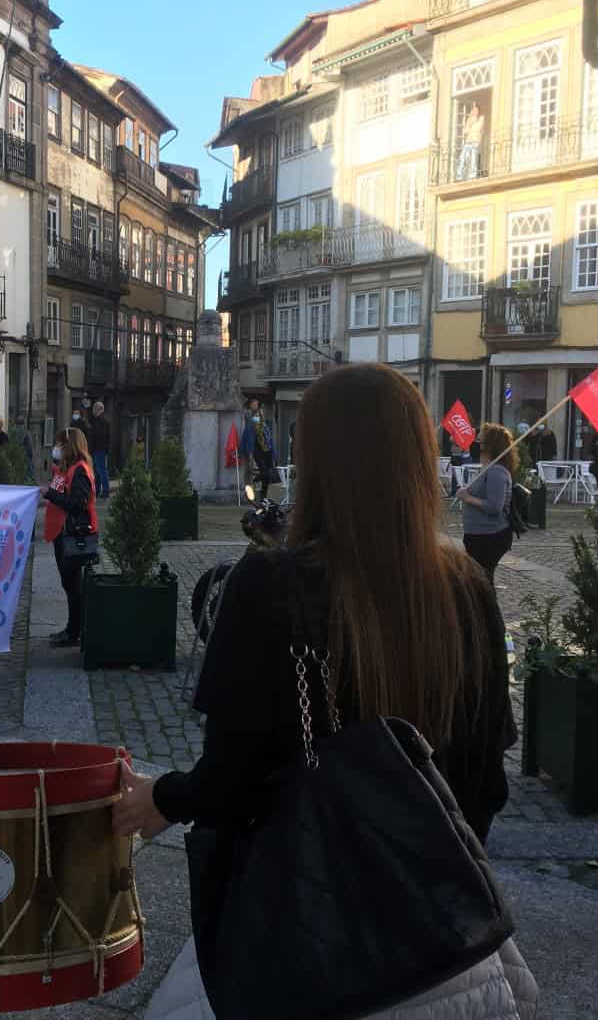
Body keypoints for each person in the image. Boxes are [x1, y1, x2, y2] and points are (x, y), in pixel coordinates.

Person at [114, 363, 530, 1017]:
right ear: (419, 461)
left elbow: (231, 781)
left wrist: (158, 799)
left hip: (312, 933)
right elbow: (488, 780)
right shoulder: (468, 587)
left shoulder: (269, 585)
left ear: (317, 462)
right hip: (444, 939)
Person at [42, 427, 96, 649]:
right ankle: (72, 629)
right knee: (69, 585)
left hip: (74, 535)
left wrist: (51, 494)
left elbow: (77, 504)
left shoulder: (80, 470)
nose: (57, 449)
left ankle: (75, 633)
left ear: (70, 446)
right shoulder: (68, 469)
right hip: (62, 534)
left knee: (73, 586)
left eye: (61, 445)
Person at [456, 423, 516, 584]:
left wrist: (467, 498)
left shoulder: (496, 471)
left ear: (491, 443)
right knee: (479, 583)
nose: (477, 440)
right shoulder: (487, 468)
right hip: (477, 535)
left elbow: (494, 506)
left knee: (482, 583)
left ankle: (488, 610)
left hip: (489, 537)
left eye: (481, 439)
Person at [239, 399, 275, 500]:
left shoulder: (265, 426)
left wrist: (273, 454)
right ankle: (256, 484)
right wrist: (242, 450)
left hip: (267, 451)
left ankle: (263, 496)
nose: (260, 415)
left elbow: (270, 440)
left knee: (267, 476)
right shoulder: (250, 425)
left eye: (261, 414)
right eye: (258, 414)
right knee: (264, 473)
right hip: (257, 451)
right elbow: (245, 437)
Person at [457, 101, 484, 181]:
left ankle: (473, 176)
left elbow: (480, 128)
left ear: (478, 111)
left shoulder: (481, 118)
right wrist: (469, 121)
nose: (474, 112)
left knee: (473, 159)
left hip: (475, 141)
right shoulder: (470, 119)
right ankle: (459, 176)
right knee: (462, 158)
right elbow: (465, 131)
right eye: (473, 110)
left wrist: (474, 119)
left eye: (476, 110)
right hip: (468, 141)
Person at [90, 400, 112, 498]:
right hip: (100, 449)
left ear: (98, 409)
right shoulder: (104, 420)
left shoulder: (101, 421)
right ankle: (98, 490)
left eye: (94, 409)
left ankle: (105, 491)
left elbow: (99, 437)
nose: (92, 411)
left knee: (101, 471)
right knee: (98, 472)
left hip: (99, 449)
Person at [13, 416, 36, 485]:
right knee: (29, 473)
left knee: (28, 473)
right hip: (26, 454)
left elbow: (19, 442)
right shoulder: (24, 430)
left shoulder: (20, 430)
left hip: (24, 455)